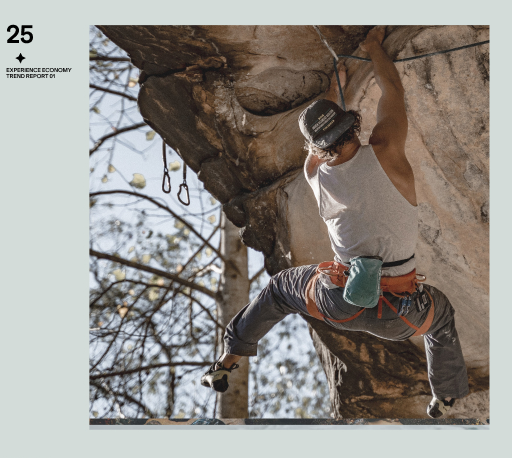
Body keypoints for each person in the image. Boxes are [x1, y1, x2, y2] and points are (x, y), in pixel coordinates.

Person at [201, 26, 469, 419]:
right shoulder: (388, 149)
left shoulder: (314, 172)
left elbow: (317, 145)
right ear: (352, 125)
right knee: (440, 318)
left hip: (338, 301)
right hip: (399, 312)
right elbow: (392, 89)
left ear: (315, 149)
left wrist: (332, 88)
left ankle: (226, 361)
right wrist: (375, 47)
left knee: (278, 291)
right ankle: (444, 395)